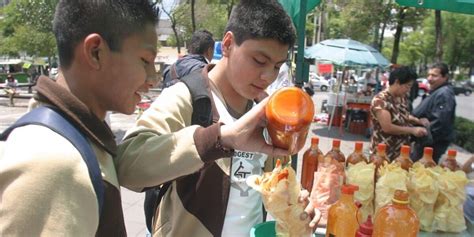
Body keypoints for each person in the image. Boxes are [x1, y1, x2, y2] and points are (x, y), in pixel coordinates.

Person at [118, 1, 319, 236]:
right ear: (228, 44)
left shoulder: (266, 110)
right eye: (259, 61)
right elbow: (127, 165)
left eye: (277, 66)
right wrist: (219, 139)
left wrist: (292, 202)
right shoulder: (188, 98)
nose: (267, 76)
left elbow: (259, 186)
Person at [370, 66, 428, 161]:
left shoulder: (401, 97)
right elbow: (387, 127)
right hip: (384, 153)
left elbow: (400, 115)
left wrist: (417, 120)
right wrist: (412, 130)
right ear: (397, 82)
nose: (408, 90)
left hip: (401, 152)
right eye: (407, 86)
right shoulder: (380, 100)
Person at [411, 62, 456, 163]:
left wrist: (423, 134)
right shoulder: (436, 91)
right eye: (429, 75)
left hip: (430, 144)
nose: (430, 78)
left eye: (434, 75)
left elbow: (440, 121)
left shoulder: (444, 94)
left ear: (445, 77)